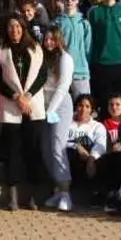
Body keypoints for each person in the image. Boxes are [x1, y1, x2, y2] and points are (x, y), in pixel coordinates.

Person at [0, 15, 48, 210]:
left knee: (32, 150)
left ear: (23, 28)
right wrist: (17, 97)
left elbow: (42, 75)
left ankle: (32, 196)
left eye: (17, 26)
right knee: (12, 152)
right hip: (11, 105)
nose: (14, 30)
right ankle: (13, 196)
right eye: (10, 26)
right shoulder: (0, 51)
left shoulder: (36, 49)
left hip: (33, 106)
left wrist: (28, 96)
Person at [40, 25, 76, 211]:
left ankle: (66, 192)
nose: (48, 42)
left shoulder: (65, 58)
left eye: (51, 39)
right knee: (45, 148)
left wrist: (50, 111)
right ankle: (57, 189)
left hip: (59, 107)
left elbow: (63, 87)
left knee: (57, 145)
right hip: (45, 107)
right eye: (46, 39)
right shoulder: (44, 57)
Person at [97, 93, 121, 203]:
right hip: (108, 158)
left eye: (118, 104)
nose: (114, 107)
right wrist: (110, 149)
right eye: (111, 105)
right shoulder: (102, 124)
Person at [54, 0, 92, 98]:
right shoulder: (56, 23)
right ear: (62, 1)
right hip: (61, 72)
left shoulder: (84, 22)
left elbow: (88, 48)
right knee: (62, 110)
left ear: (77, 1)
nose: (69, 1)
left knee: (83, 106)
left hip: (81, 72)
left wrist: (85, 65)